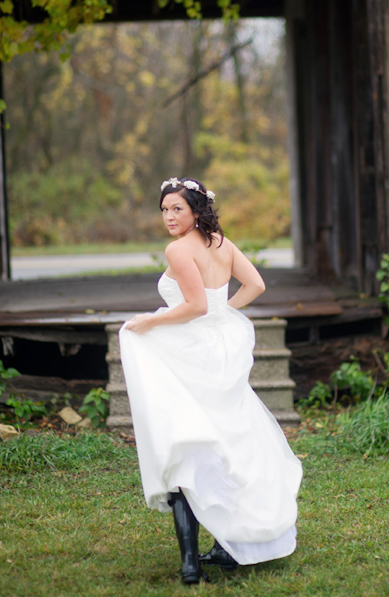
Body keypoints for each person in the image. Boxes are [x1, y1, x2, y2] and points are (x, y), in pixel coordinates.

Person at [119, 177, 303, 585]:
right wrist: (227, 312)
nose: (169, 216)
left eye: (177, 209)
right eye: (164, 209)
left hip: (195, 350)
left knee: (188, 443)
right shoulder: (220, 242)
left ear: (196, 210)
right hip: (222, 343)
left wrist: (150, 320)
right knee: (227, 438)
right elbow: (254, 285)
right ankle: (226, 544)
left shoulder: (179, 249)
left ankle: (192, 563)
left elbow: (195, 306)